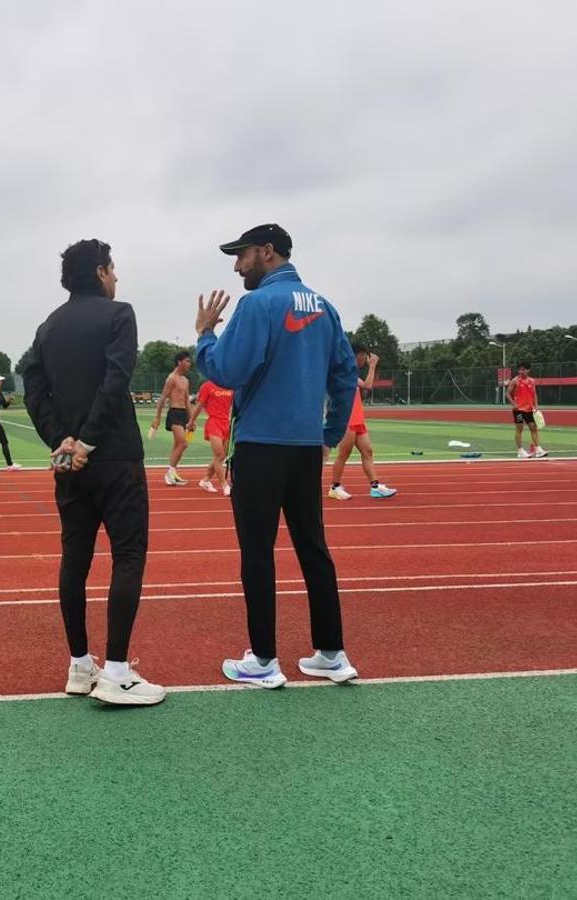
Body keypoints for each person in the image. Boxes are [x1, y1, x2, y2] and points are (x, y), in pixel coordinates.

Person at [195, 223, 360, 689]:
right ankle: (331, 652)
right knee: (314, 548)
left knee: (257, 552)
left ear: (267, 252)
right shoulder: (325, 307)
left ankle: (264, 660)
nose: (236, 265)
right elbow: (346, 378)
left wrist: (206, 334)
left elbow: (225, 370)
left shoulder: (258, 304)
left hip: (261, 448)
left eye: (241, 255)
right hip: (306, 449)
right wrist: (326, 433)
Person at [23, 237, 164, 706]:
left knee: (75, 559)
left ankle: (80, 665)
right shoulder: (119, 313)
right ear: (101, 272)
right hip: (116, 456)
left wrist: (61, 441)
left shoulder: (48, 327)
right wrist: (86, 439)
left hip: (69, 464)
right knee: (127, 556)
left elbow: (33, 390)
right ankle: (118, 672)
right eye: (114, 269)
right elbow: (116, 379)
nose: (117, 277)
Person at [328, 344, 397, 500]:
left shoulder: (350, 372)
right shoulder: (344, 371)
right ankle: (335, 487)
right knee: (343, 454)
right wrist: (372, 366)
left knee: (367, 451)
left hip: (357, 416)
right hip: (347, 417)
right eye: (364, 357)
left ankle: (375, 486)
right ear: (357, 355)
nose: (365, 360)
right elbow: (367, 385)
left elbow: (365, 386)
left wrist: (371, 367)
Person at [149, 352, 195, 485]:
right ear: (179, 362)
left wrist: (191, 419)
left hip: (183, 414)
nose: (189, 364)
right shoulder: (171, 378)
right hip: (174, 412)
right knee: (183, 443)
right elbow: (162, 398)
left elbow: (187, 401)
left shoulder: (185, 380)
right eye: (187, 361)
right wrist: (157, 418)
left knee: (178, 444)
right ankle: (170, 473)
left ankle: (173, 473)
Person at [187, 377, 233, 495]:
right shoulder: (207, 386)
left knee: (222, 456)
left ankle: (205, 480)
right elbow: (199, 406)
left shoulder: (231, 384)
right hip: (214, 423)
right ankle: (224, 485)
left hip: (226, 423)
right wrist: (191, 421)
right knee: (219, 454)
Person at [506, 362, 547, 458]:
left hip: (529, 410)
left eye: (523, 369)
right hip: (518, 410)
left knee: (533, 428)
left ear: (528, 370)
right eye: (520, 369)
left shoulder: (532, 381)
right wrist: (513, 404)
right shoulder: (515, 381)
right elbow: (507, 393)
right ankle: (520, 451)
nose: (521, 371)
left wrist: (536, 406)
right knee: (519, 429)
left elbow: (534, 394)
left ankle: (538, 449)